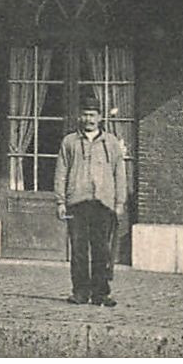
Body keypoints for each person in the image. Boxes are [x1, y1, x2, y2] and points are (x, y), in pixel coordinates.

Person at [56, 92, 129, 306]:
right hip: (77, 203)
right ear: (80, 116)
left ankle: (100, 293)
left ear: (100, 118)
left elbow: (119, 173)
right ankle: (80, 292)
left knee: (102, 250)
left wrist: (119, 203)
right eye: (85, 115)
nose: (89, 119)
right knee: (78, 250)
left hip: (103, 204)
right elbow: (61, 172)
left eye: (93, 115)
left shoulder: (112, 143)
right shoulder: (69, 142)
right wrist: (60, 201)